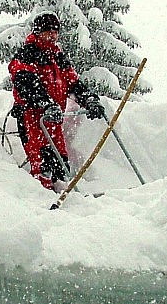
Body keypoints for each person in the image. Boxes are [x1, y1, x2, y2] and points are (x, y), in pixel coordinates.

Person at [8, 12, 106, 190]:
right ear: (38, 32)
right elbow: (25, 82)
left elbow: (73, 83)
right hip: (32, 117)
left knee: (59, 163)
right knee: (41, 162)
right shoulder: (27, 54)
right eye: (48, 31)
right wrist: (45, 103)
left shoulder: (57, 57)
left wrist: (89, 100)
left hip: (53, 118)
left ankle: (61, 194)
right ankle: (38, 201)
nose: (52, 35)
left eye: (55, 31)